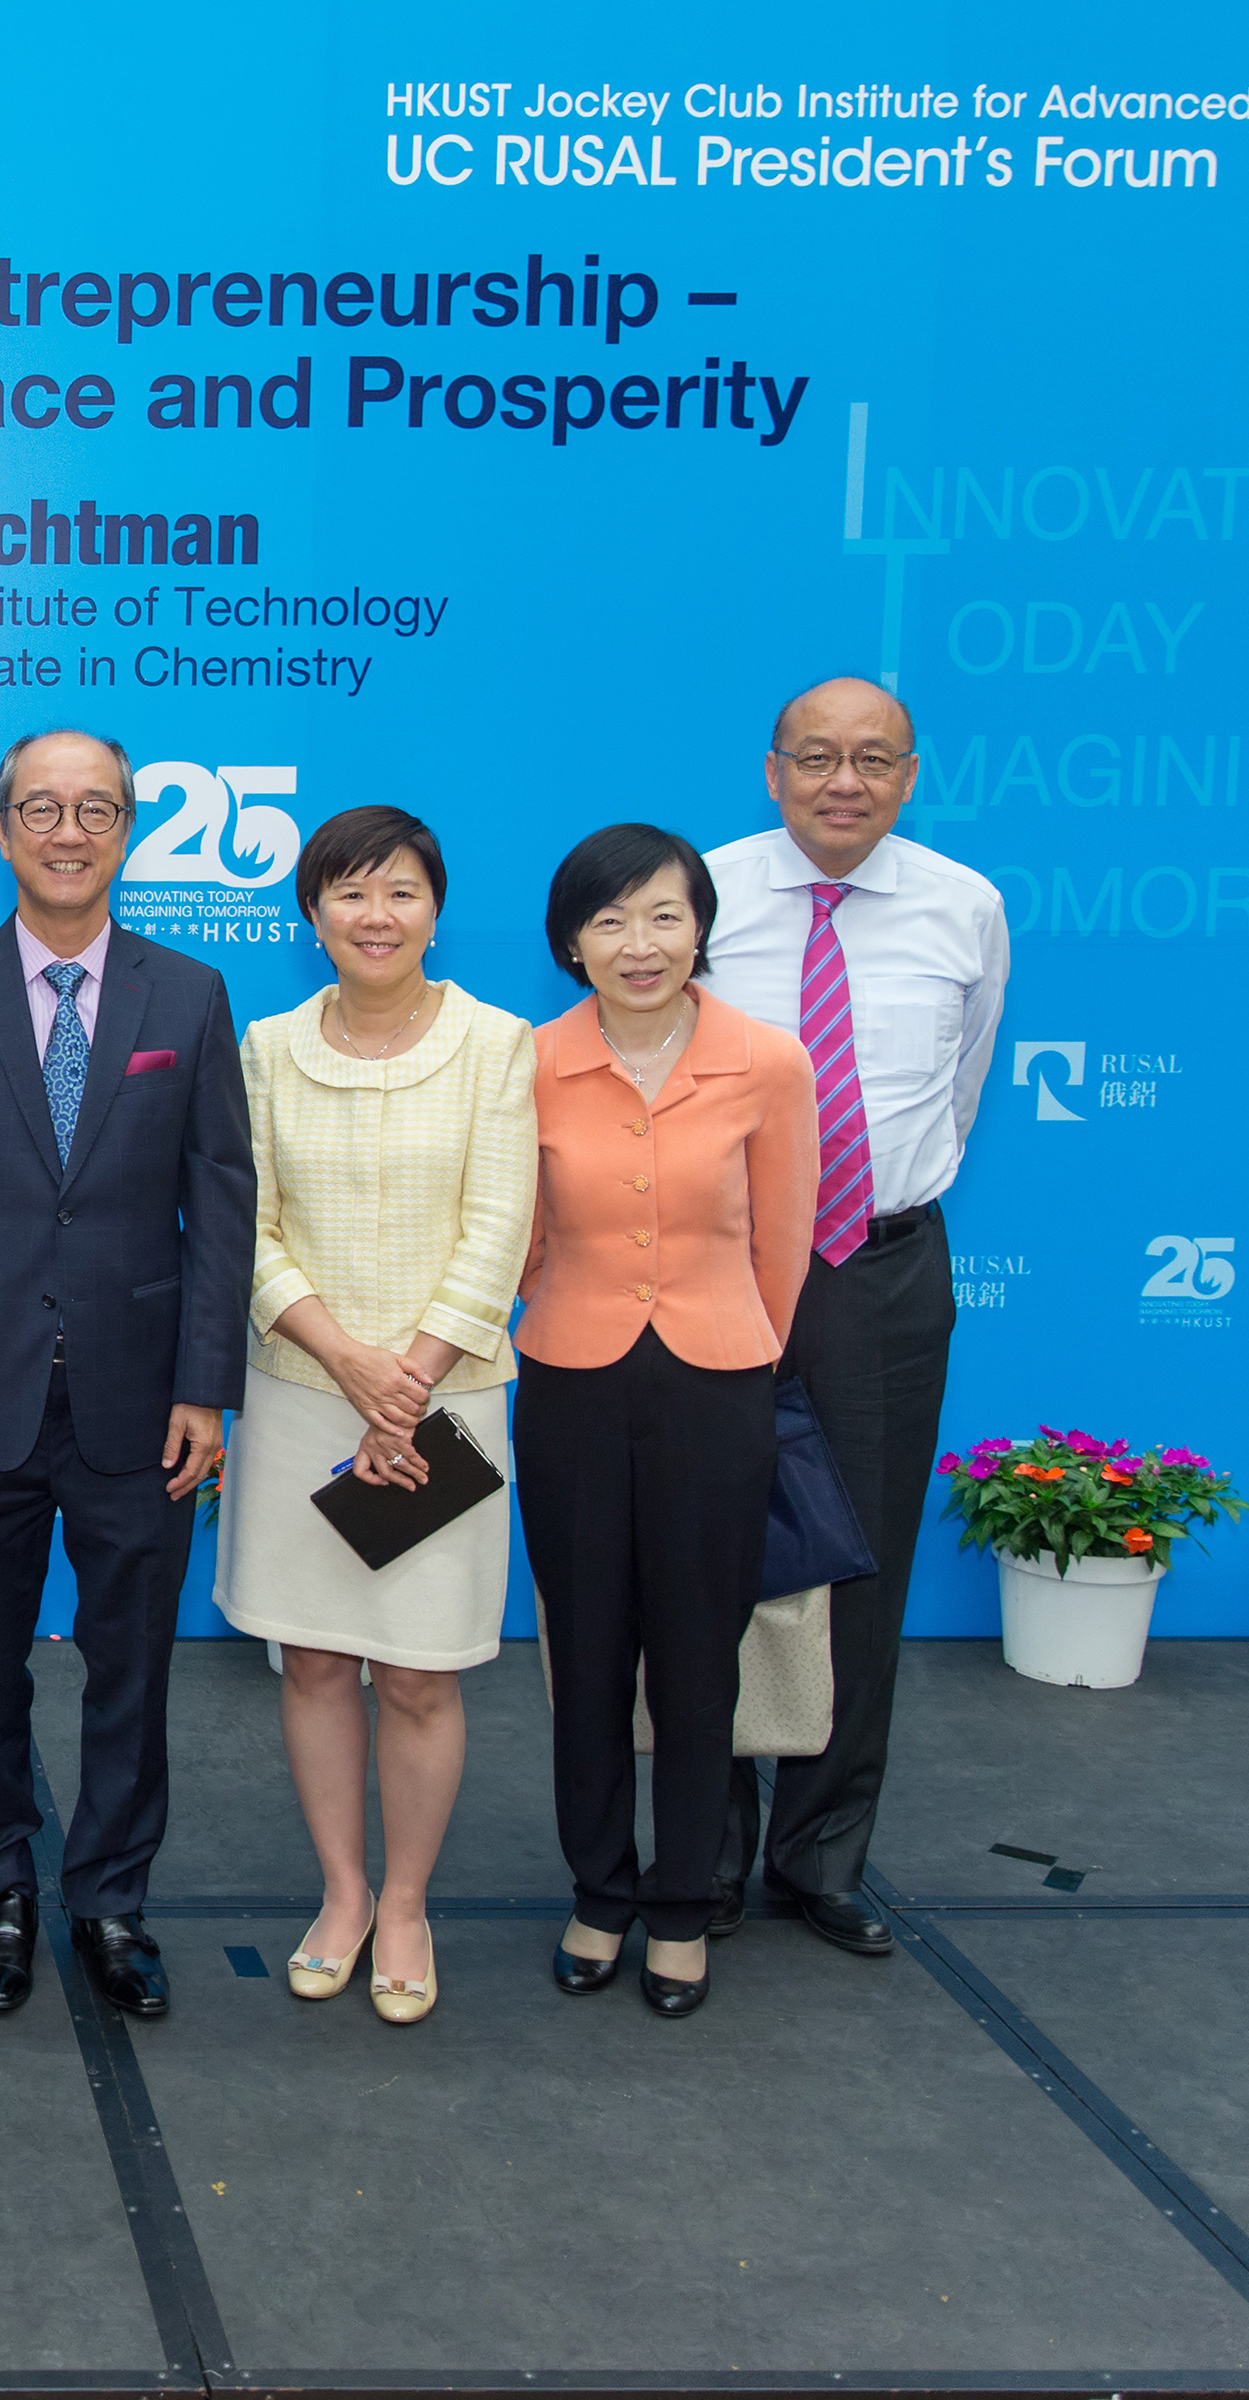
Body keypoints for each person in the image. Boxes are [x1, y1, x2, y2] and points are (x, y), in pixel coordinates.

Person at [0, 729, 250, 2021]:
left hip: (145, 1404)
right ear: (1, 826)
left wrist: (208, 1384)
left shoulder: (187, 998)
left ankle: (112, 1899)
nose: (68, 830)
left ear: (131, 828)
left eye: (95, 809)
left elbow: (220, 1203)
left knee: (132, 1663)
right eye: (43, 807)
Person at [698, 679, 1009, 1955]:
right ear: (771, 771)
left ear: (911, 774)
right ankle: (704, 1849)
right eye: (817, 757)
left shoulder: (966, 907)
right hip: (719, 1262)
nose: (844, 780)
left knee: (865, 1558)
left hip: (878, 1270)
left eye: (872, 759)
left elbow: (962, 1086)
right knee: (706, 1555)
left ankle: (820, 1855)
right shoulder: (703, 894)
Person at [217, 805, 535, 2026]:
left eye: (400, 892)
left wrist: (405, 1383)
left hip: (443, 1412)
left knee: (416, 1677)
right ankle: (343, 1893)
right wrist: (350, 1362)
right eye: (348, 894)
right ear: (311, 915)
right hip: (305, 1395)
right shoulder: (266, 1048)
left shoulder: (497, 1044)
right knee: (313, 1660)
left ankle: (406, 1902)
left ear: (435, 908)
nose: (375, 916)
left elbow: (498, 1226)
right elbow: (245, 1227)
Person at [515, 825, 816, 2019]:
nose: (639, 945)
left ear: (701, 926)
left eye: (664, 917)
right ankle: (600, 1892)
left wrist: (741, 1348)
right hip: (571, 1382)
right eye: (609, 921)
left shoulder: (768, 1063)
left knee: (699, 1659)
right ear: (570, 942)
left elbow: (782, 1245)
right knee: (585, 1658)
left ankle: (684, 1904)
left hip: (717, 1386)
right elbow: (522, 1241)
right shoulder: (529, 1063)